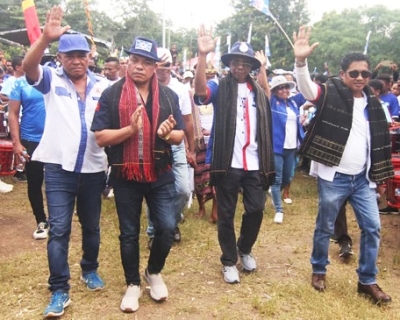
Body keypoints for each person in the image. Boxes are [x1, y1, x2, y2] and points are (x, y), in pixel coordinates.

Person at [294, 26, 393, 304]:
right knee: (325, 226)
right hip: (334, 175)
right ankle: (318, 270)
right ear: (343, 75)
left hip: (363, 179)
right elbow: (306, 88)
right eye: (354, 73)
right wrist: (300, 62)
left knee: (372, 227)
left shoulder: (375, 105)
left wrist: (378, 179)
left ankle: (367, 280)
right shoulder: (330, 94)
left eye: (365, 73)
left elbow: (379, 145)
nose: (360, 78)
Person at [22, 6, 109, 318]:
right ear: (59, 58)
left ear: (89, 57)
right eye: (69, 55)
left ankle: (90, 269)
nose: (75, 61)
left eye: (81, 55)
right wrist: (46, 37)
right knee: (59, 229)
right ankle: (59, 288)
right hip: (58, 169)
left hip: (93, 169)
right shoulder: (49, 79)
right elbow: (27, 64)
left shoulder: (103, 85)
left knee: (92, 226)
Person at [91, 36, 185, 313]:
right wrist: (129, 131)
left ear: (156, 67)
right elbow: (100, 137)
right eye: (135, 60)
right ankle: (132, 283)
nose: (139, 67)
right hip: (125, 175)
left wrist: (167, 135)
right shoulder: (111, 94)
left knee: (167, 227)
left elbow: (180, 135)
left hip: (160, 172)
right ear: (127, 62)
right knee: (129, 233)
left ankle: (153, 272)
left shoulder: (169, 96)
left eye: (146, 62)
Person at [194, 25, 275, 284]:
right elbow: (200, 94)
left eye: (245, 63)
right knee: (226, 213)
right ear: (229, 64)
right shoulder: (221, 85)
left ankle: (245, 248)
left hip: (255, 162)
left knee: (256, 209)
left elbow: (268, 96)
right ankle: (228, 260)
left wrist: (262, 69)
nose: (240, 67)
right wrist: (202, 56)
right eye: (235, 62)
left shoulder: (257, 91)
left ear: (251, 66)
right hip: (227, 162)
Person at [145, 47, 194, 247]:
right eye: (158, 65)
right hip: (153, 147)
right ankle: (153, 231)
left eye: (166, 66)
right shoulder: (146, 86)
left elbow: (188, 121)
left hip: (176, 145)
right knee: (153, 191)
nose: (162, 70)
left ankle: (171, 222)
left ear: (171, 66)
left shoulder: (180, 89)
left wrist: (190, 148)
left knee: (183, 190)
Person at [8, 62, 48, 239]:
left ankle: (59, 219)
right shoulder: (20, 83)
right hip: (31, 140)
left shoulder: (52, 79)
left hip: (56, 139)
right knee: (34, 181)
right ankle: (41, 221)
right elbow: (13, 113)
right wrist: (16, 142)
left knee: (59, 182)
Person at [264, 75, 305, 223]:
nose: (284, 90)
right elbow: (264, 87)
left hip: (292, 147)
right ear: (274, 91)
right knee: (277, 179)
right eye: (280, 88)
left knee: (288, 177)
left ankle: (269, 192)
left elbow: (307, 91)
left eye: (286, 87)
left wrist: (302, 63)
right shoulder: (272, 102)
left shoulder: (293, 103)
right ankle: (278, 210)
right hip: (277, 147)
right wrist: (262, 68)